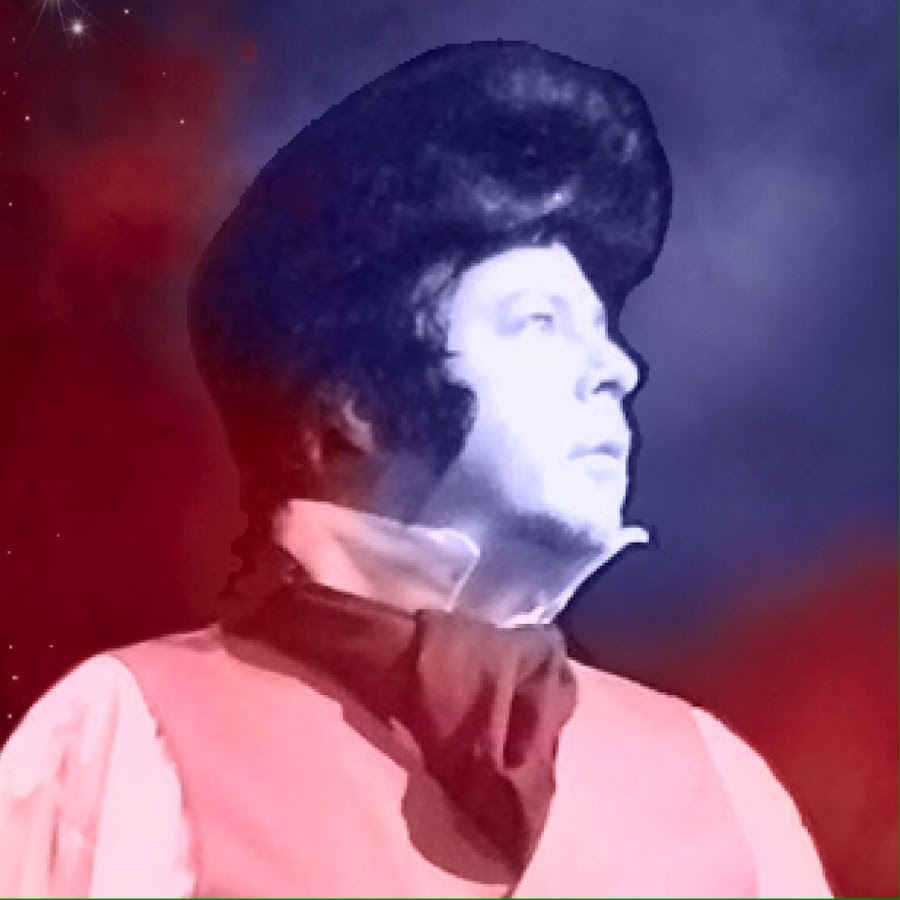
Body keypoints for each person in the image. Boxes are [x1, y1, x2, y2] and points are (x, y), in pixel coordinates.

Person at [0, 41, 831, 897]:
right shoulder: (121, 740)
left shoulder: (723, 787)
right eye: (541, 321)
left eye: (603, 328)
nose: (617, 368)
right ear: (356, 402)